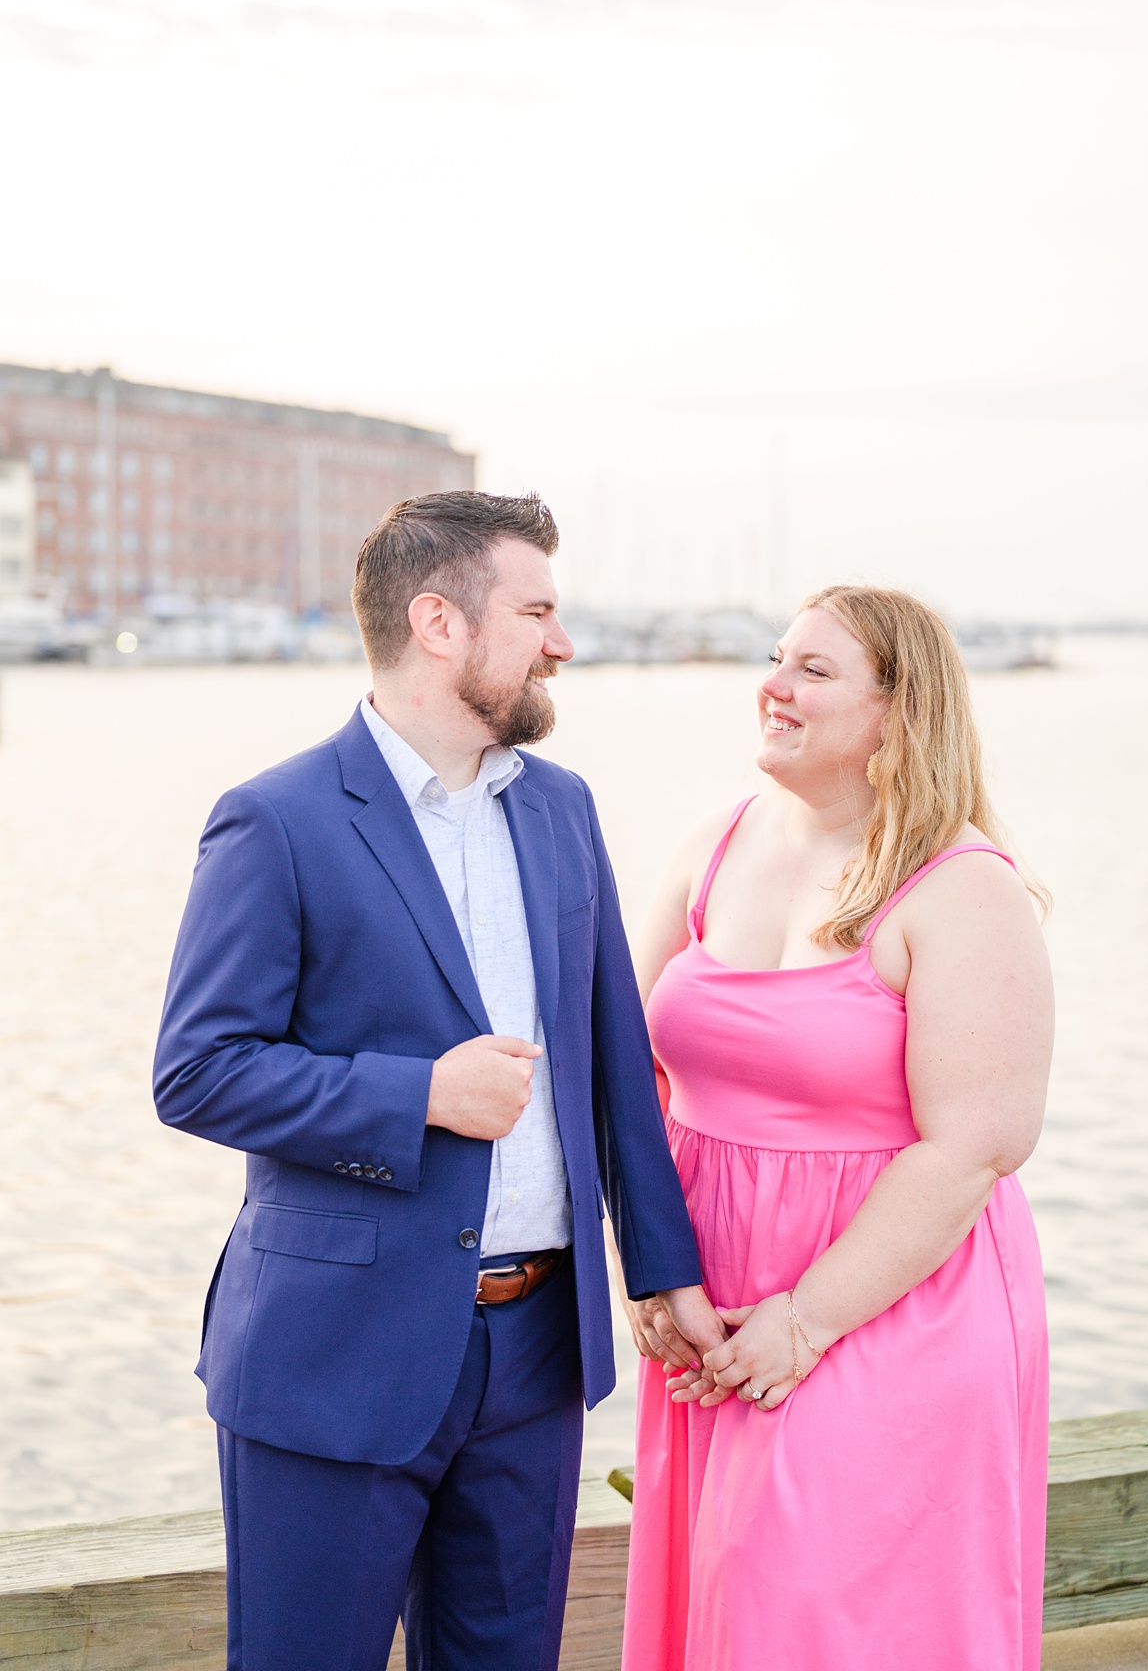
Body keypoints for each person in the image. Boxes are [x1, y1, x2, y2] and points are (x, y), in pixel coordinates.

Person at [153, 492, 723, 1670]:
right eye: (537, 611)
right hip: (332, 1358)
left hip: (535, 1358)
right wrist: (416, 1095)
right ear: (440, 623)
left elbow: (616, 1060)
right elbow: (197, 1071)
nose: (561, 642)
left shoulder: (563, 811)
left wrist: (666, 1272)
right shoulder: (277, 820)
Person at [619, 585, 1054, 1670]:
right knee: (722, 1605)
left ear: (897, 715)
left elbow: (974, 1147)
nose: (773, 685)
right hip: (707, 1309)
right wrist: (654, 1269)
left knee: (820, 1615)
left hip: (883, 1304)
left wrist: (805, 1322)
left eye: (815, 670)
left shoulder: (962, 890)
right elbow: (624, 1071)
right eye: (778, 659)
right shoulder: (710, 846)